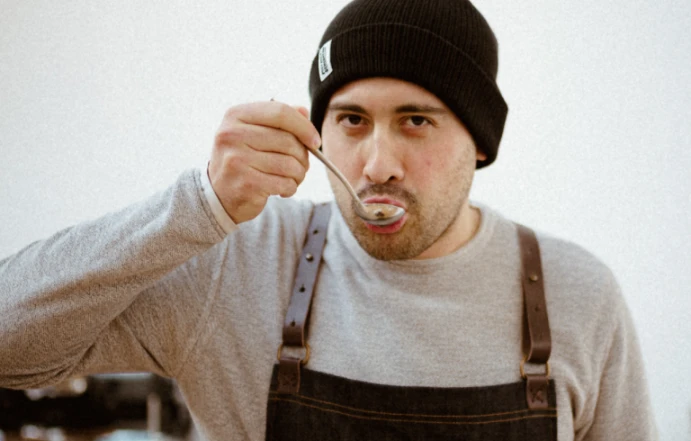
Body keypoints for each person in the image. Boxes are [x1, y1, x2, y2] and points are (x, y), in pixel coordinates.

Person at [0, 0, 657, 440]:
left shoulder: (577, 296)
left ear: (480, 141)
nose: (376, 164)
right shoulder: (239, 263)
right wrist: (196, 205)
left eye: (416, 121)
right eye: (350, 120)